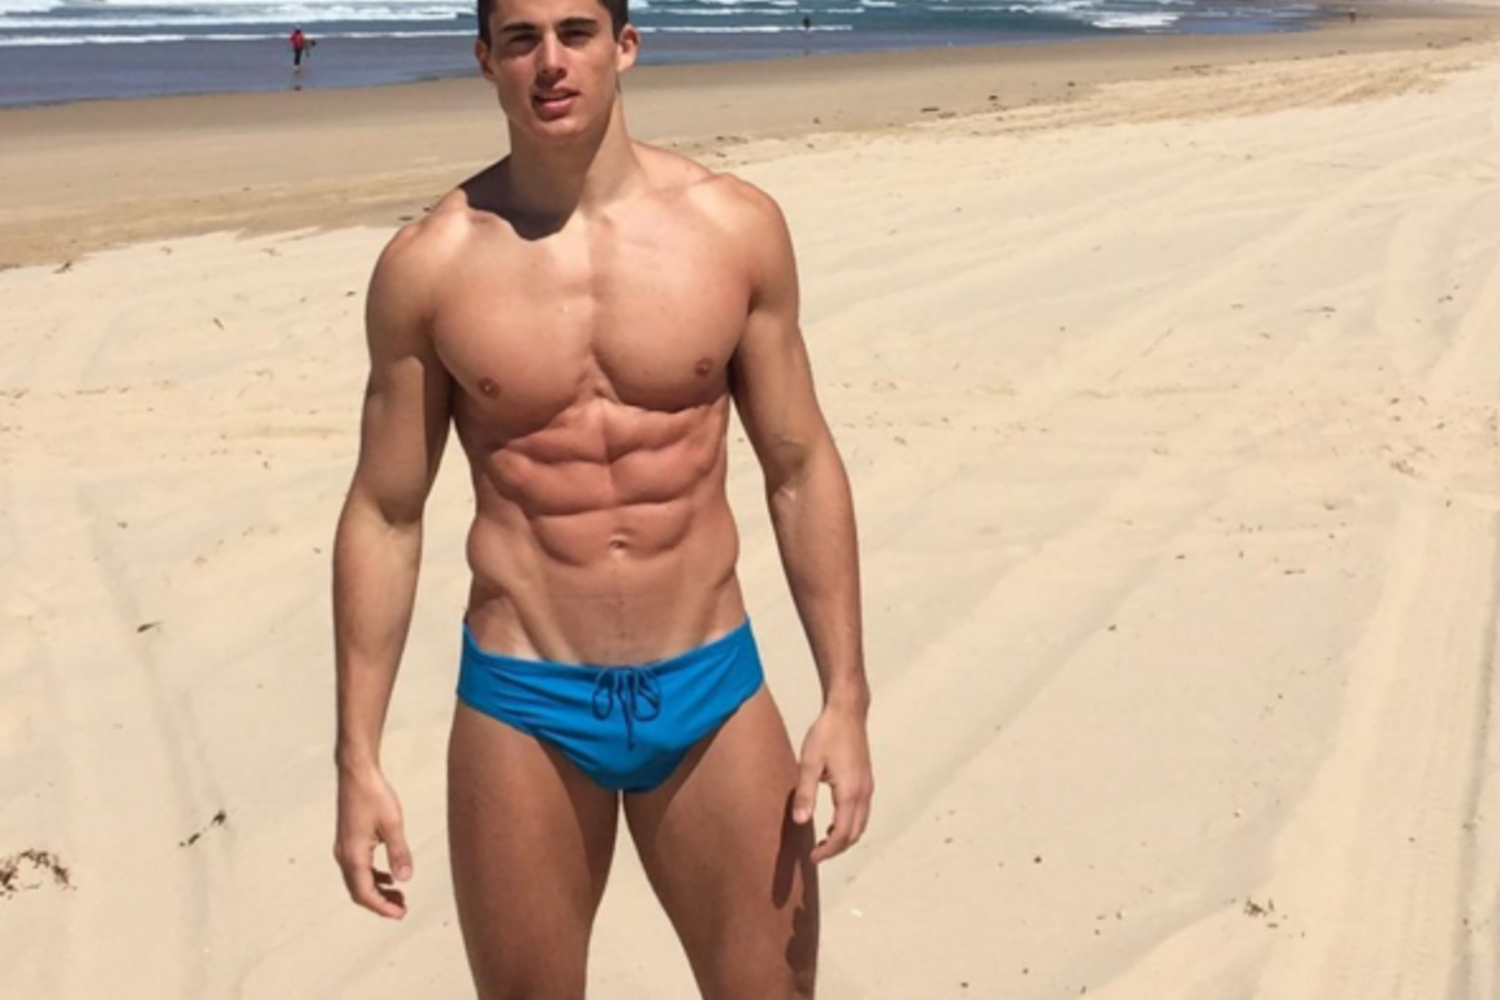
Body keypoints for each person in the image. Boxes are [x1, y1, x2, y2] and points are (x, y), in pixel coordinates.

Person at [330, 0, 874, 996]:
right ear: (485, 59)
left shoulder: (733, 228)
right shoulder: (430, 265)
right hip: (525, 701)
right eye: (521, 39)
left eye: (575, 32)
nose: (550, 61)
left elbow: (798, 465)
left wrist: (847, 696)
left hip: (711, 687)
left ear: (624, 47)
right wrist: (355, 757)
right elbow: (386, 511)